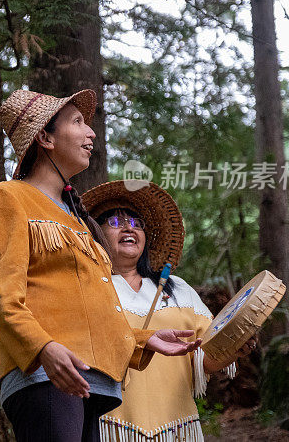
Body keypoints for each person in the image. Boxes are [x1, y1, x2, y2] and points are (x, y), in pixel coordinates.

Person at [0, 89, 201, 442]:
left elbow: (88, 312)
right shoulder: (8, 198)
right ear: (45, 138)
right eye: (78, 122)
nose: (91, 132)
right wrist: (43, 348)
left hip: (90, 383)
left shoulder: (80, 221)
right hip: (44, 375)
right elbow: (3, 298)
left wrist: (145, 339)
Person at [80, 180, 255, 442]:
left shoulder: (178, 290)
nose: (129, 227)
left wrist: (235, 347)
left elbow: (205, 358)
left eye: (137, 224)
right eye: (116, 222)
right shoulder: (85, 287)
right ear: (95, 233)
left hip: (176, 427)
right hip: (108, 425)